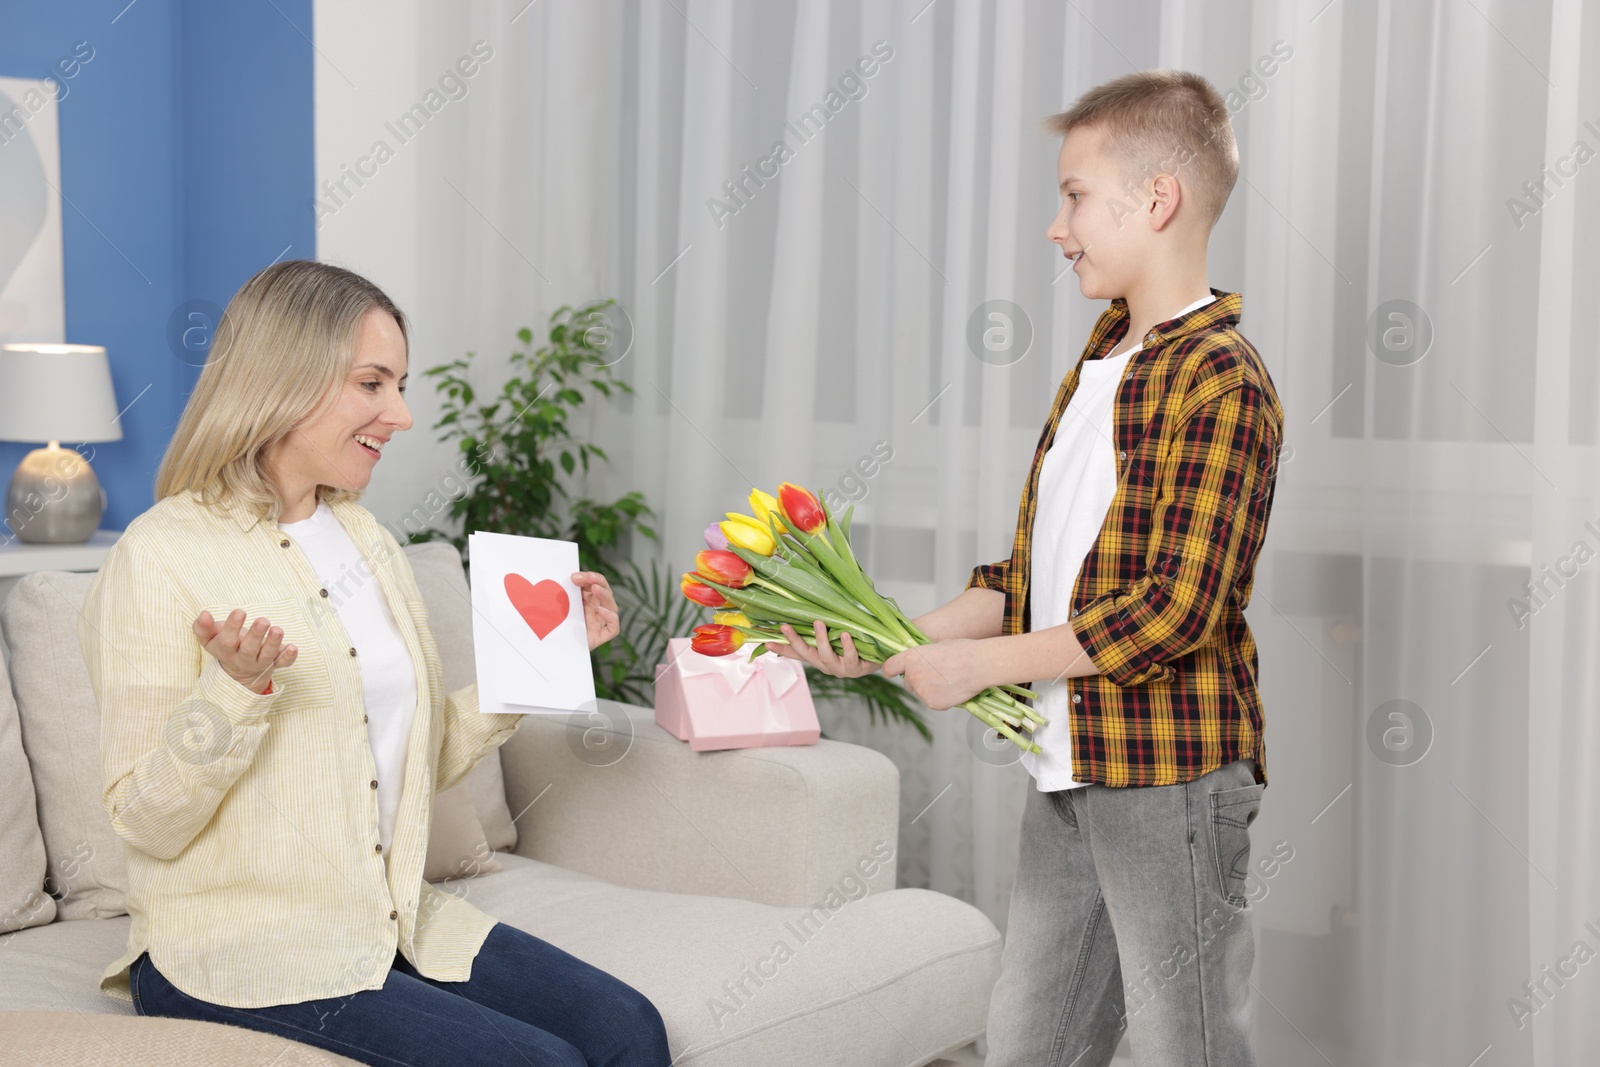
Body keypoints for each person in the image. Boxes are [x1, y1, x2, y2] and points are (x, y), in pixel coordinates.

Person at [778, 70, 1284, 1066]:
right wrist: (887, 642)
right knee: (1024, 1042)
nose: (1058, 227)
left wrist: (982, 667)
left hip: (1166, 777)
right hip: (1069, 767)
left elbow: (1172, 612)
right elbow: (1027, 578)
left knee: (1189, 1045)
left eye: (1073, 196)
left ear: (1156, 200)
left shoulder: (1220, 378)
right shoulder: (1099, 366)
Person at [78, 260, 670, 1066]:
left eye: (400, 384)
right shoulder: (158, 555)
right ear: (285, 378)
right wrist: (234, 690)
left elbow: (409, 762)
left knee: (631, 1028)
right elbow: (144, 818)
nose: (402, 414)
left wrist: (543, 660)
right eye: (373, 383)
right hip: (237, 948)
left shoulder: (369, 541)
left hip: (385, 914)